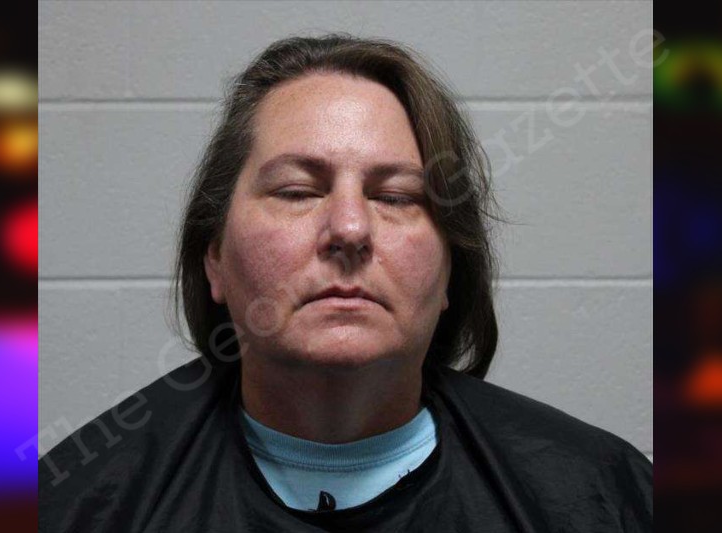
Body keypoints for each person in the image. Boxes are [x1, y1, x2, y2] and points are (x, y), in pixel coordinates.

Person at [39, 34, 652, 532]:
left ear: (450, 273)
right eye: (297, 191)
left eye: (396, 196)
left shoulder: (607, 498)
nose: (351, 228)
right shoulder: (73, 502)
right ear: (215, 260)